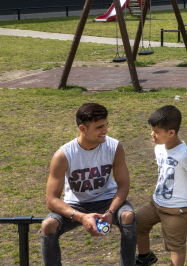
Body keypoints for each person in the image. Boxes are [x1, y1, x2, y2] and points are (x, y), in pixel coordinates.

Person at [41, 102, 136, 266]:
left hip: (107, 201)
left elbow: (123, 185)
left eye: (106, 125)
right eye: (99, 127)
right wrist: (82, 217)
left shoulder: (114, 147)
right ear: (82, 129)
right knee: (48, 225)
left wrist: (110, 212)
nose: (105, 131)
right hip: (75, 204)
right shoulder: (63, 155)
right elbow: (51, 200)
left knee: (128, 216)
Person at [134, 105, 187, 266]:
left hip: (177, 210)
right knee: (137, 222)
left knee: (175, 246)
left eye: (156, 131)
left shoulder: (184, 154)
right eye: (152, 130)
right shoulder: (159, 148)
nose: (152, 134)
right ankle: (145, 256)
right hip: (156, 203)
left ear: (171, 133)